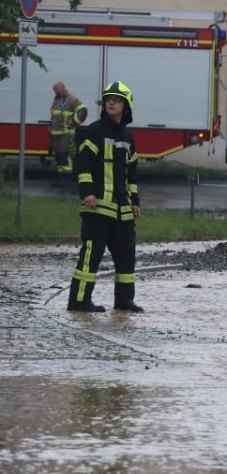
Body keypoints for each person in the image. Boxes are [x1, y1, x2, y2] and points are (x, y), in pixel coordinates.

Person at [67, 81, 141, 313]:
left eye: (117, 99)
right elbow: (83, 163)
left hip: (122, 210)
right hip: (97, 207)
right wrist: (87, 192)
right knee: (92, 255)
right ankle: (79, 301)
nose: (111, 102)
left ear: (126, 105)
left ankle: (124, 301)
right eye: (108, 98)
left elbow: (132, 172)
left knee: (126, 256)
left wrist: (135, 201)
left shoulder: (128, 136)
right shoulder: (95, 130)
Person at [49, 81, 88, 177]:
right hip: (56, 133)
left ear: (63, 87)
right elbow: (59, 113)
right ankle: (61, 176)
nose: (55, 90)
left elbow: (83, 110)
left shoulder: (71, 99)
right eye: (54, 88)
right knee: (58, 156)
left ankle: (68, 177)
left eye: (56, 88)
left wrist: (75, 122)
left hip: (66, 133)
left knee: (64, 155)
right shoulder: (58, 100)